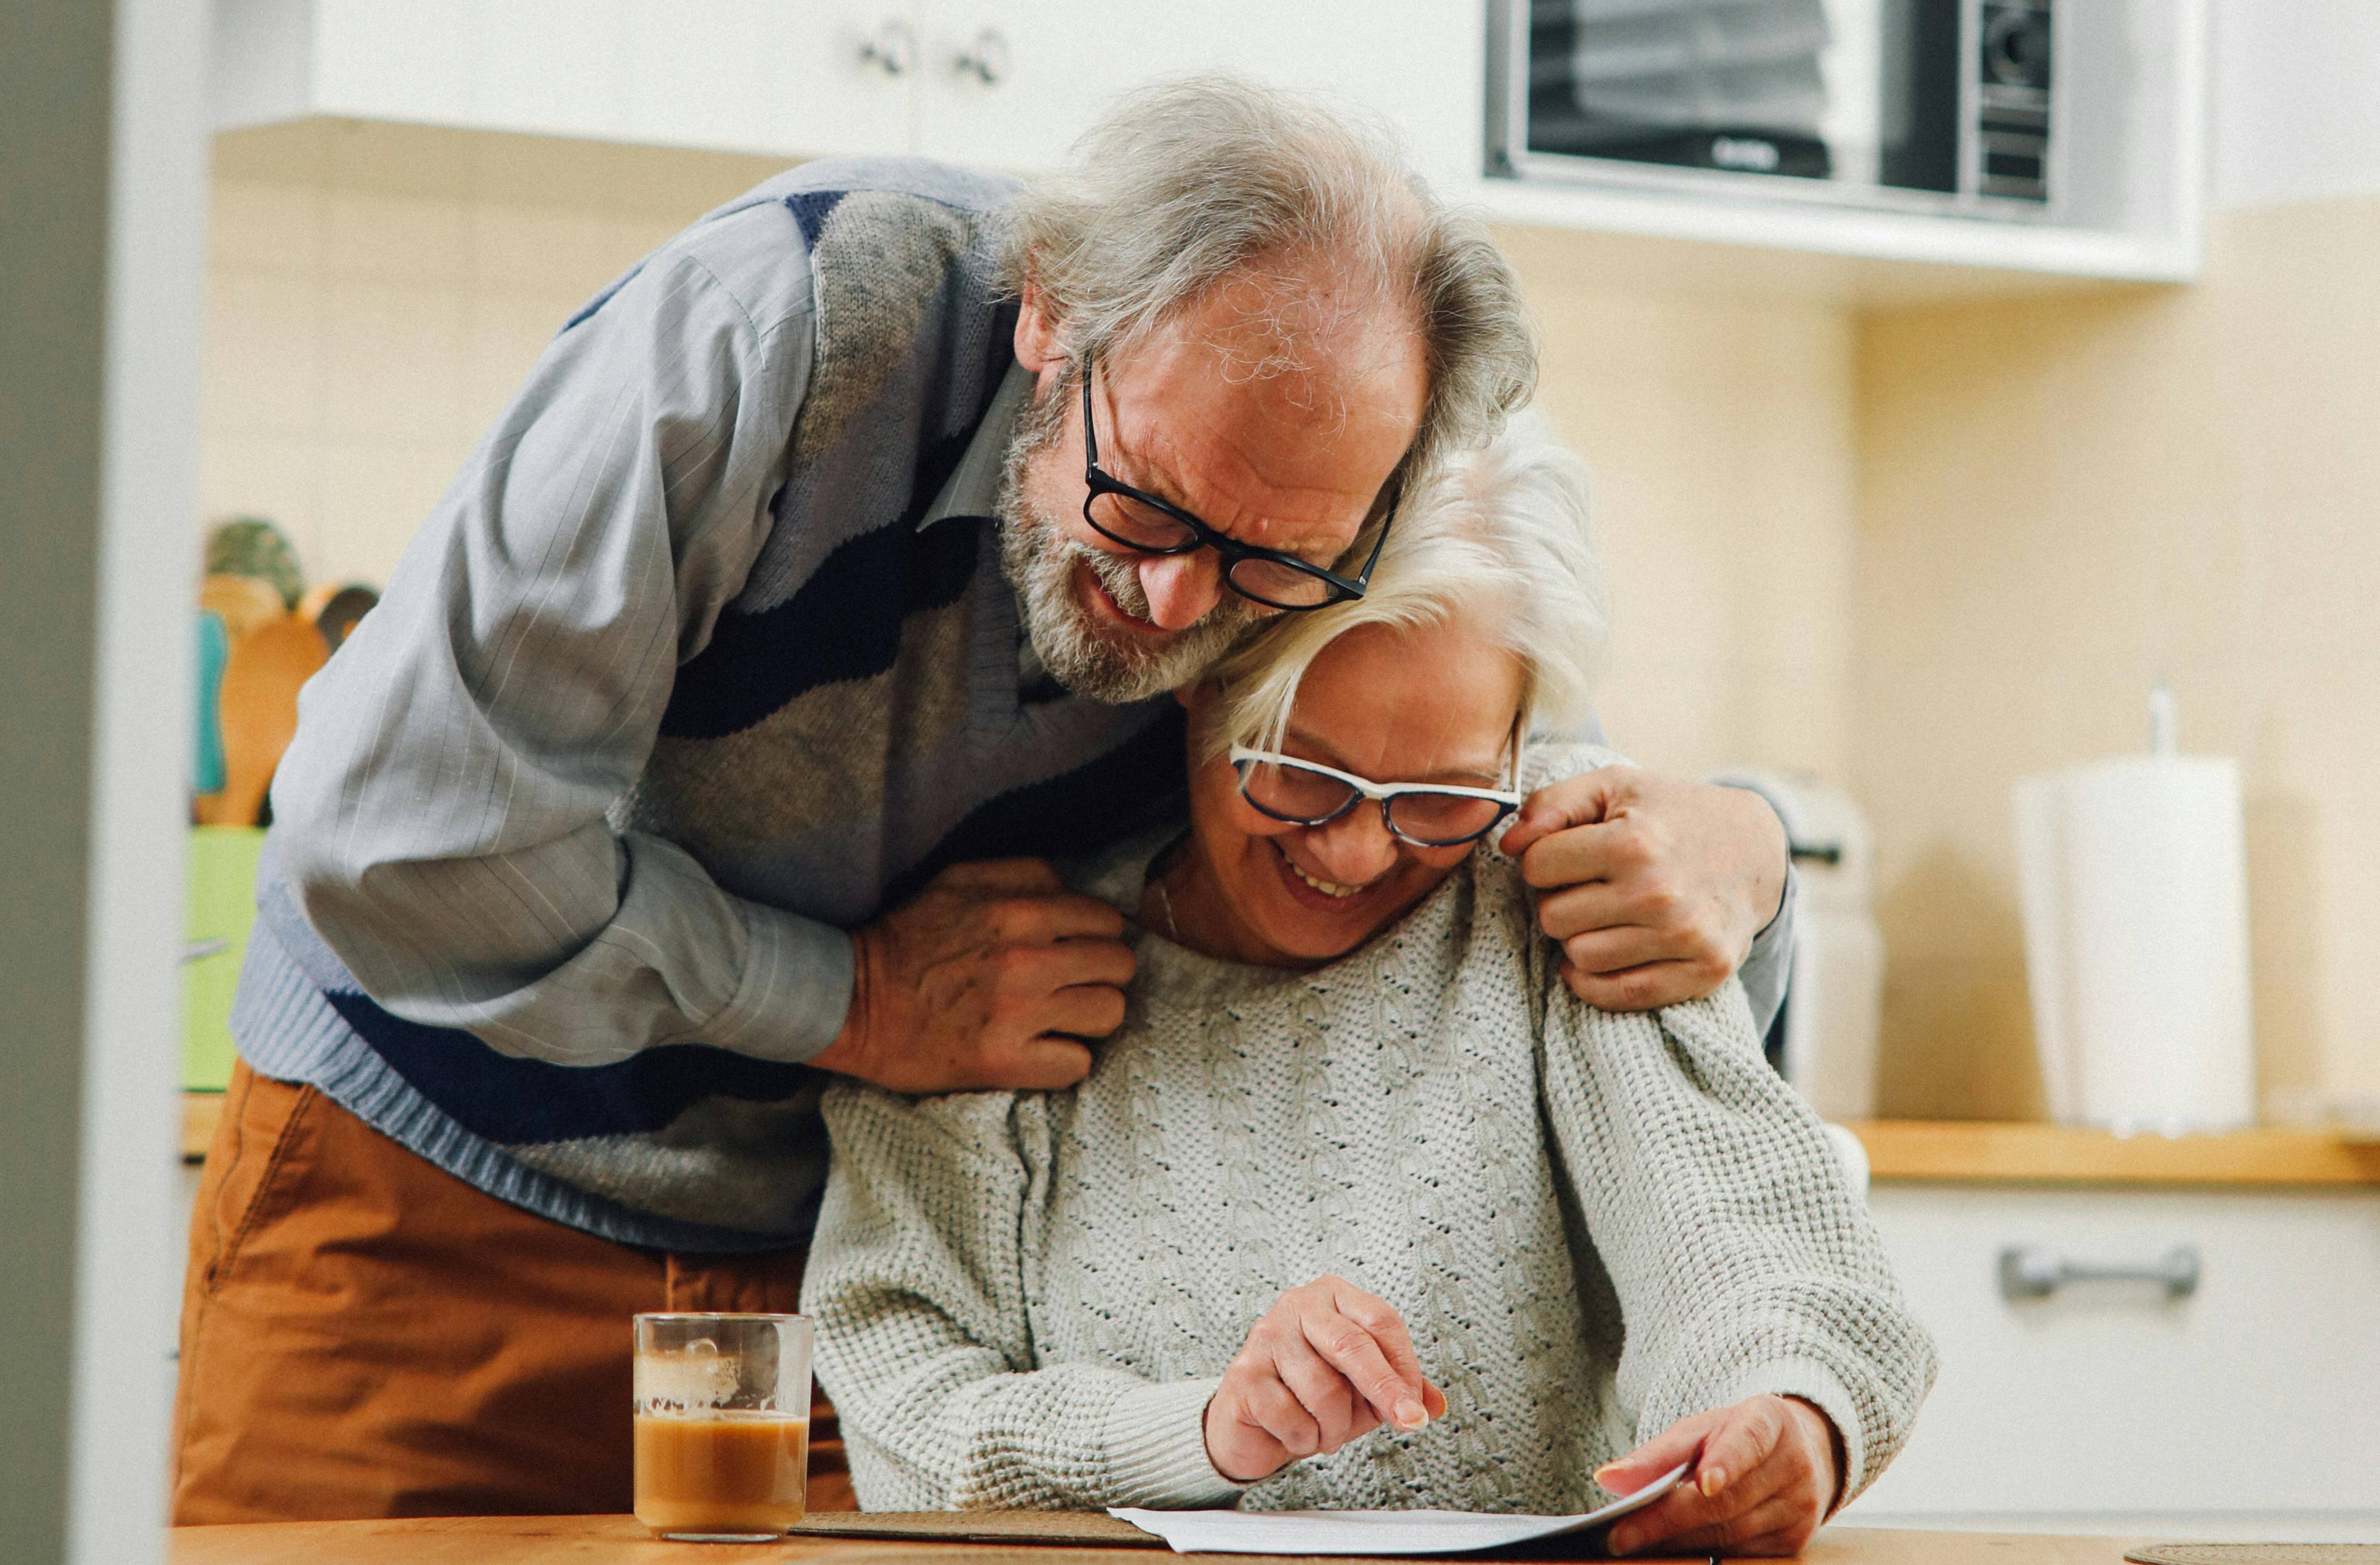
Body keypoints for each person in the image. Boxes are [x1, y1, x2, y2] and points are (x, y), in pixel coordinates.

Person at [173, 79, 1800, 1522]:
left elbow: (1504, 800)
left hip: (840, 1279)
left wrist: (1749, 848)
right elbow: (400, 844)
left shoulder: (1339, 494)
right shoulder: (785, 321)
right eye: (1141, 503)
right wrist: (855, 999)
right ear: (1050, 313)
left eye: (1269, 566)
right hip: (431, 1206)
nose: (1175, 607)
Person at [803, 418, 1936, 1556]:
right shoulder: (996, 983)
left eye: (1440, 798)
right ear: (1196, 688)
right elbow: (907, 1421)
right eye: (1296, 769)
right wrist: (1199, 1431)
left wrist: (1790, 1419)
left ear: (1514, 747)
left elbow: (1761, 1254)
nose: (1350, 856)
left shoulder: (1557, 889)